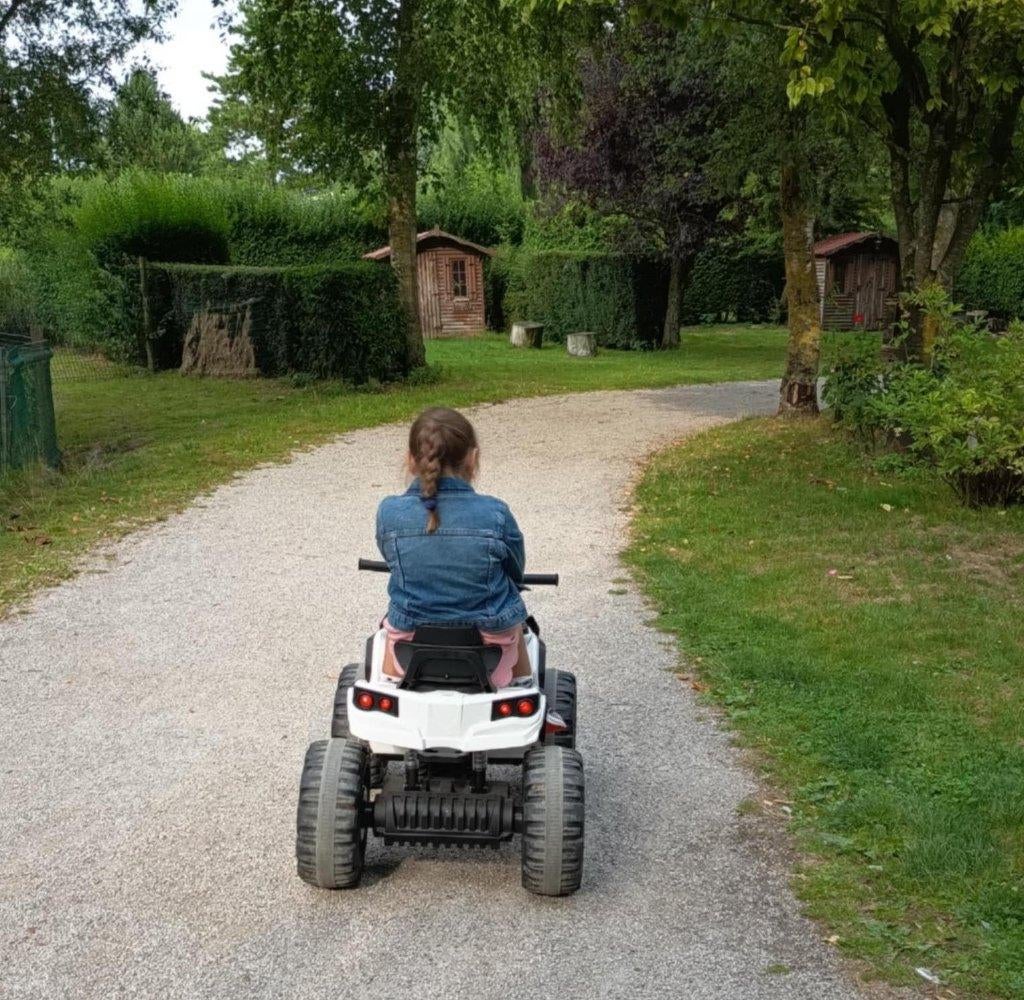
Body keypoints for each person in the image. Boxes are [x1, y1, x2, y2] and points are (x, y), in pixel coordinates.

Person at [375, 407, 530, 686]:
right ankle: (525, 687)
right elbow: (516, 570)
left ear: (411, 461)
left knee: (384, 664)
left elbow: (390, 559)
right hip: (491, 650)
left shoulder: (389, 512)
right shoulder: (495, 514)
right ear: (473, 459)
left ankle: (387, 687)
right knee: (515, 615)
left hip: (408, 648)